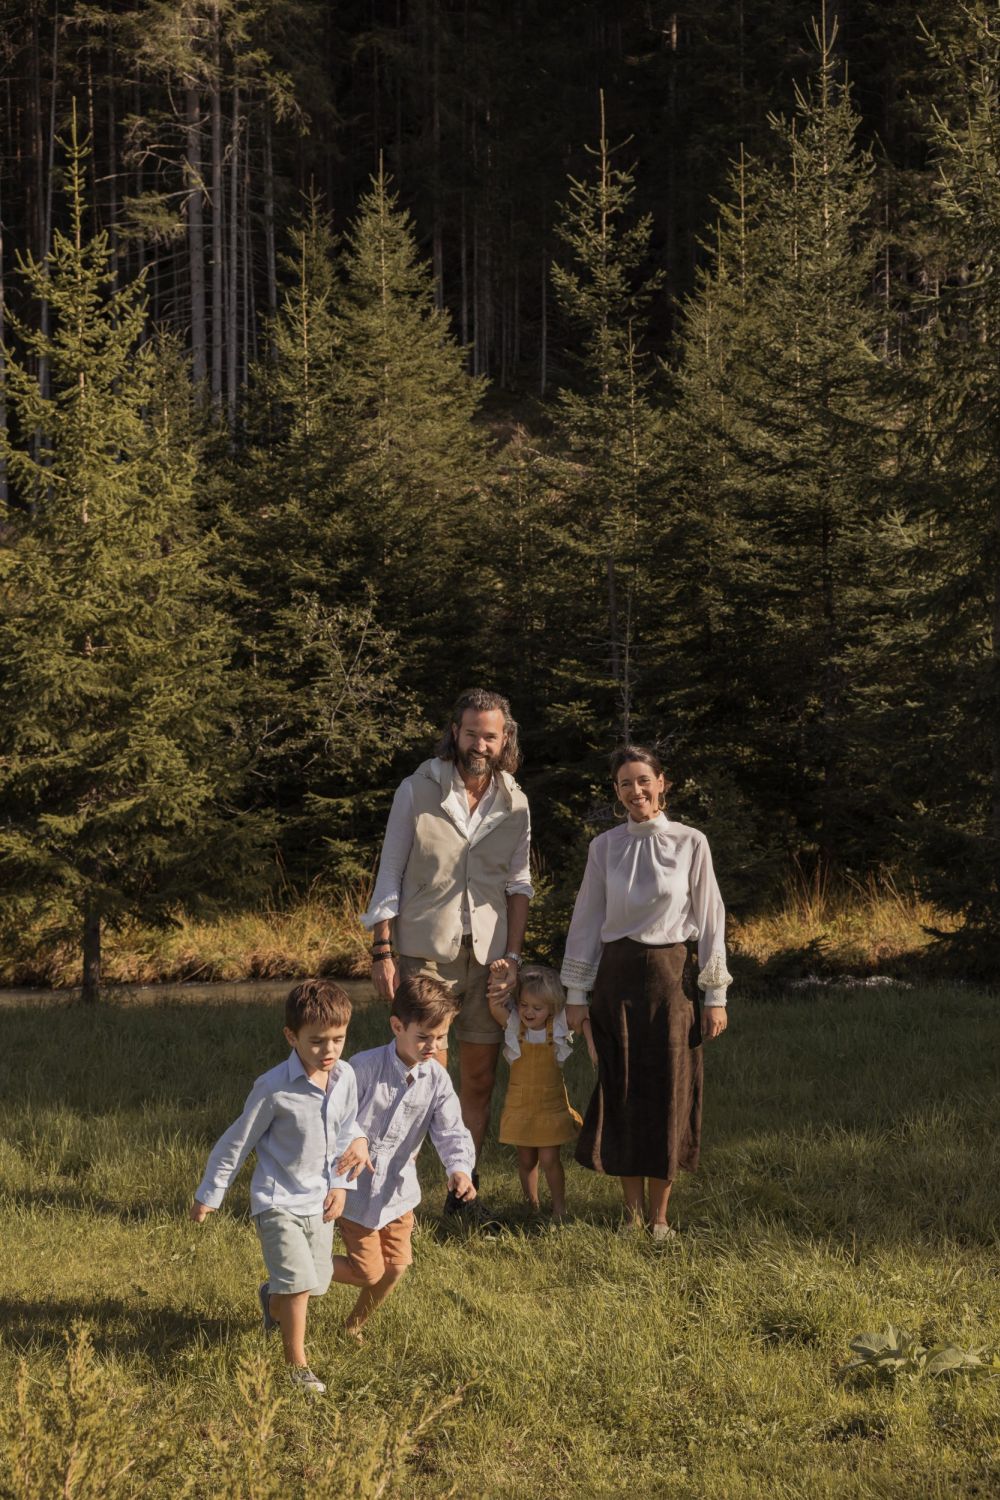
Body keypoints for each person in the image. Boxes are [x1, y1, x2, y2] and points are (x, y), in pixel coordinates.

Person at [362, 687, 533, 1224]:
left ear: (505, 739)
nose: (479, 743)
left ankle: (463, 1197)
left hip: (486, 960)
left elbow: (518, 885)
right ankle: (398, 1199)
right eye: (471, 732)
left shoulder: (515, 801)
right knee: (422, 1079)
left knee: (478, 1079)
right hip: (423, 954)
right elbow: (389, 871)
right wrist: (382, 949)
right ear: (455, 733)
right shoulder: (418, 789)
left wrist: (512, 956)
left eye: (490, 734)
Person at [561, 746, 731, 1240]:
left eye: (642, 781)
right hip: (615, 980)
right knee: (623, 1089)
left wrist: (715, 994)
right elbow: (588, 920)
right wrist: (576, 991)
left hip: (669, 981)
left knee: (669, 1091)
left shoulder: (691, 842)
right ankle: (632, 1217)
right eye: (623, 784)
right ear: (616, 793)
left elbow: (712, 919)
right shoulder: (605, 847)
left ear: (662, 783)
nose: (634, 792)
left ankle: (661, 1219)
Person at [190, 979, 367, 1394]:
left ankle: (272, 1298)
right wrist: (209, 1194)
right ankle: (297, 1366)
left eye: (338, 1040)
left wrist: (342, 1184)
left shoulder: (345, 1077)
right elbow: (237, 1141)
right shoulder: (273, 1088)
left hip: (320, 1199)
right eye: (317, 1042)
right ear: (292, 1037)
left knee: (317, 1282)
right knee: (301, 1285)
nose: (329, 1051)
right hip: (277, 1200)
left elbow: (346, 1130)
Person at [331, 975, 477, 1337]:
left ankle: (353, 1326)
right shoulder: (362, 1068)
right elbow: (336, 1116)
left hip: (397, 1193)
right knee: (367, 1271)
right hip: (355, 1189)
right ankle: (297, 1270)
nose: (433, 1045)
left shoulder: (437, 1080)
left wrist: (459, 1168)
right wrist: (358, 1137)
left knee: (396, 1267)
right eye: (424, 1036)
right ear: (397, 1026)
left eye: (441, 1037)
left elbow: (451, 1129)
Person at [487, 962, 584, 1221]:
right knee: (527, 1159)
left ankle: (559, 1208)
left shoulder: (560, 1028)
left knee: (550, 1159)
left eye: (537, 1008)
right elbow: (496, 1006)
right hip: (521, 1105)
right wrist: (498, 978)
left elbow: (580, 1015)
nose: (529, 1012)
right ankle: (532, 1205)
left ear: (552, 1008)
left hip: (550, 1105)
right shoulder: (514, 1027)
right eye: (524, 1005)